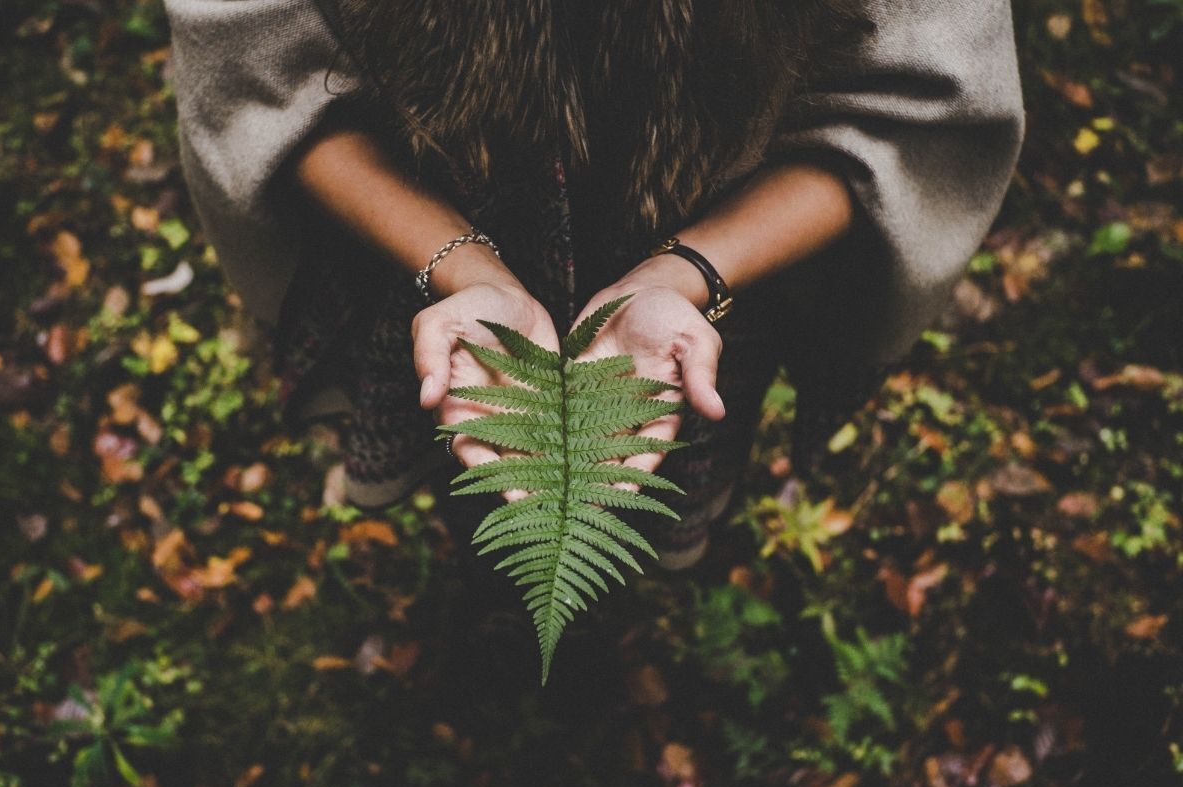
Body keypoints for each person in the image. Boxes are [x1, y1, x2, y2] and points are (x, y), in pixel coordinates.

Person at [164, 0, 1025, 569]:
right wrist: (466, 267)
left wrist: (683, 272)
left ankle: (592, 582)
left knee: (657, 471)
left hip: (726, 232)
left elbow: (916, 105)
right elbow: (254, 70)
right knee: (464, 458)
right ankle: (498, 564)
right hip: (417, 212)